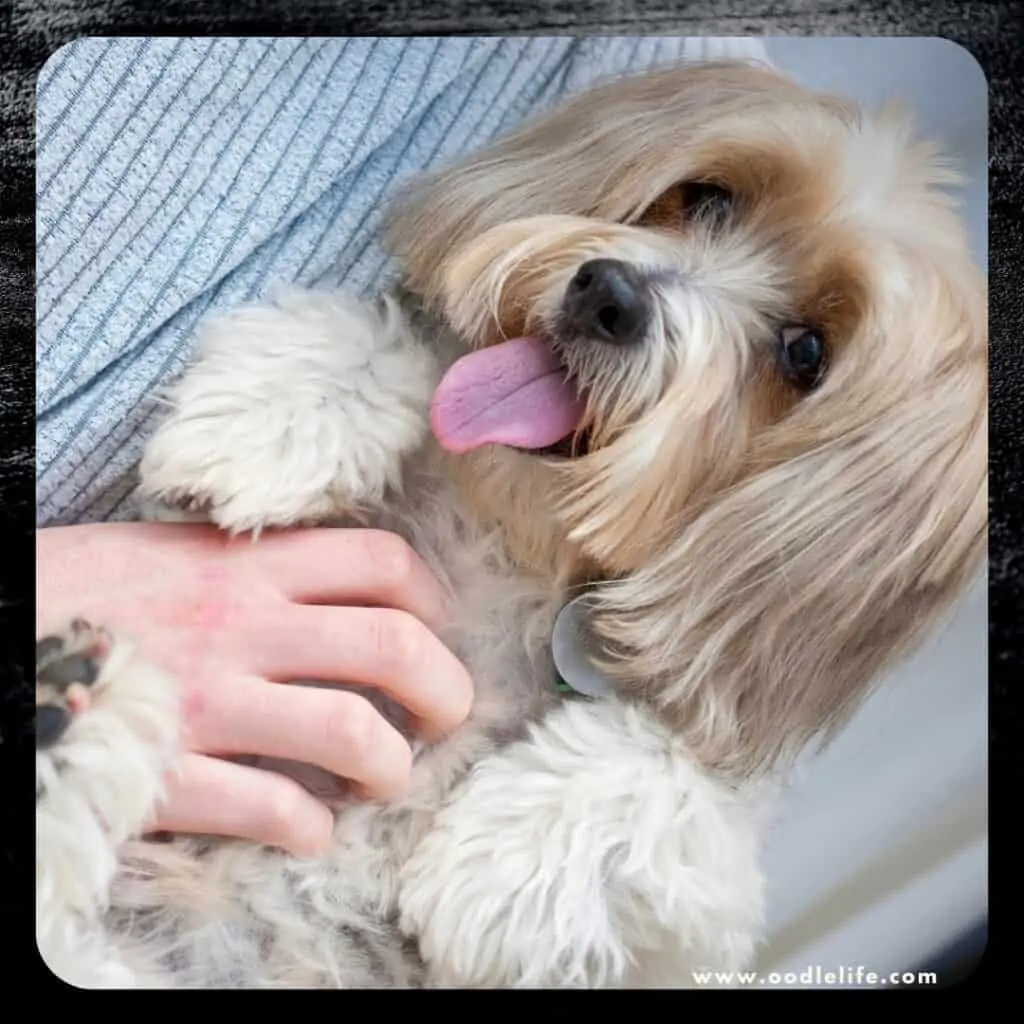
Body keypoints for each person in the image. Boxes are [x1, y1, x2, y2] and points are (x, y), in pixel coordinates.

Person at [35, 37, 770, 853]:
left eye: (797, 353)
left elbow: (725, 702)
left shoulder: (663, 63)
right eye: (701, 204)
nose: (619, 287)